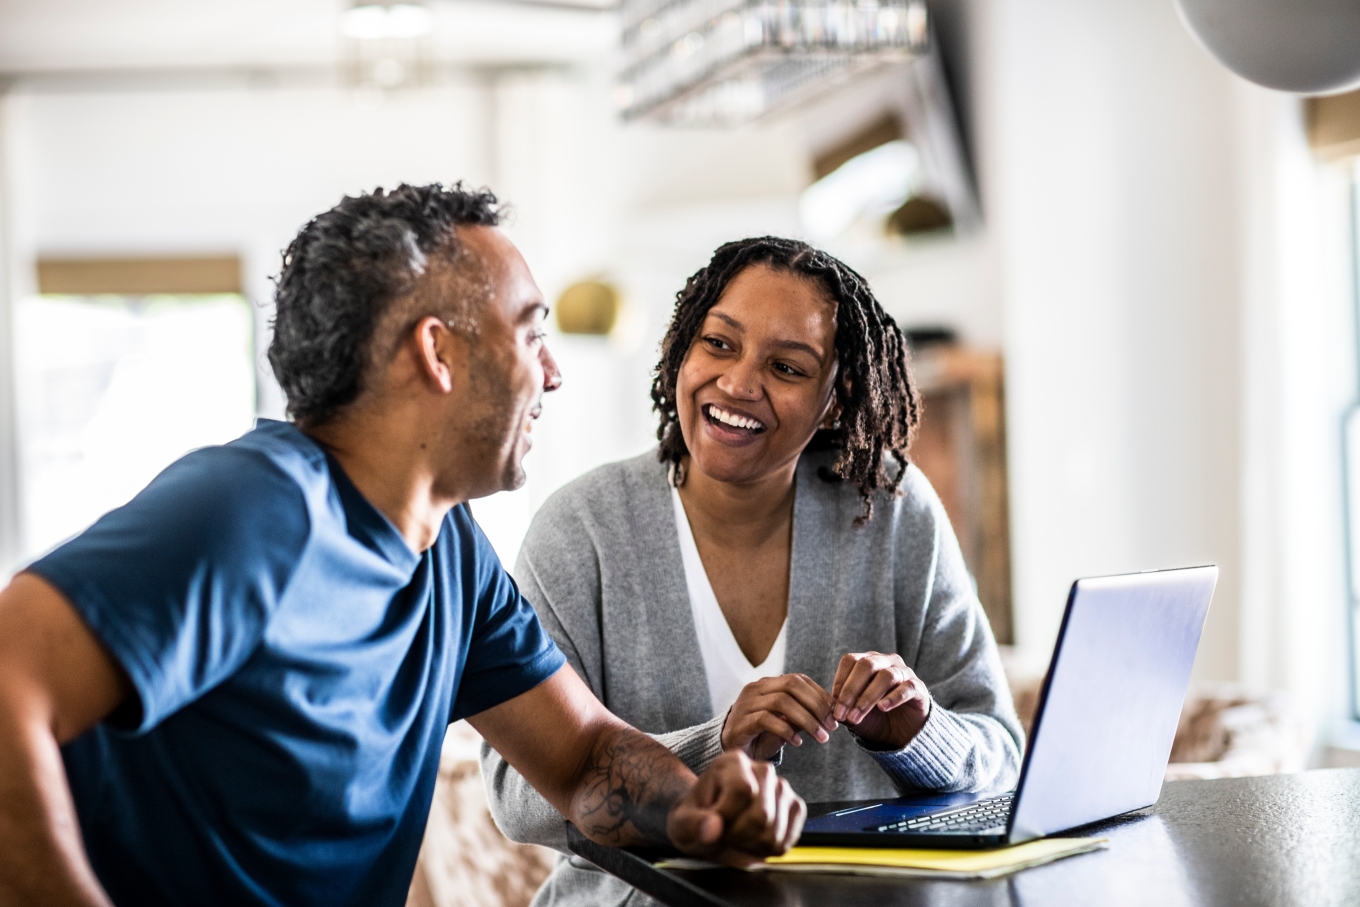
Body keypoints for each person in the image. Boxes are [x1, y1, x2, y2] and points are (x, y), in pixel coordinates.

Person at [0, 186, 804, 907]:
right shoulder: (258, 506)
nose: (552, 373)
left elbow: (587, 759)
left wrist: (694, 808)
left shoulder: (449, 548)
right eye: (530, 334)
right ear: (438, 352)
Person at [484, 236, 1024, 907]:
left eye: (788, 368)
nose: (739, 383)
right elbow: (517, 791)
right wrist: (716, 747)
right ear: (682, 348)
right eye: (719, 343)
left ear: (834, 399)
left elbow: (1003, 753)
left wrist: (917, 734)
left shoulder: (890, 508)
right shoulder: (583, 529)